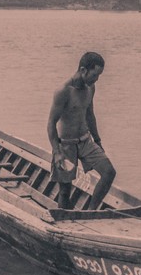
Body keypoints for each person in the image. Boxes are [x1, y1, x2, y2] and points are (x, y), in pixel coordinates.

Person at [47, 52, 116, 210]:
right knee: (64, 191)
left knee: (109, 173)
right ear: (83, 70)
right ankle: (64, 224)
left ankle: (91, 212)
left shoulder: (90, 88)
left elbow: (90, 115)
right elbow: (51, 124)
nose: (96, 79)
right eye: (95, 75)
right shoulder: (63, 91)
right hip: (65, 146)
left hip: (86, 141)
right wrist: (57, 152)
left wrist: (98, 141)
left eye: (99, 76)